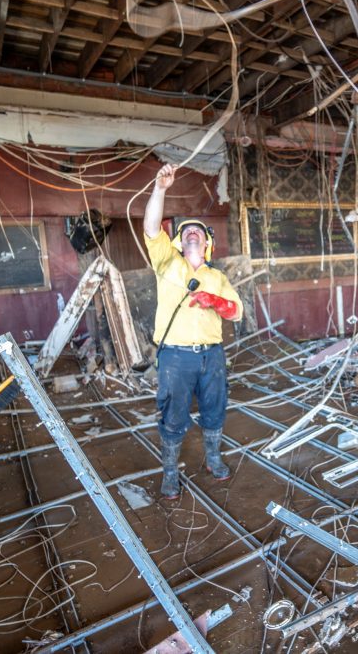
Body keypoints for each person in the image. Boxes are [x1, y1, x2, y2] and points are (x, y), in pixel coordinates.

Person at [143, 164, 243, 498]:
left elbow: (235, 310)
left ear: (207, 241)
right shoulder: (167, 263)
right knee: (173, 414)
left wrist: (215, 299)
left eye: (197, 230)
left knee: (215, 408)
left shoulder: (218, 277)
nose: (191, 232)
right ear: (178, 240)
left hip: (211, 355)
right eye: (185, 231)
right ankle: (170, 472)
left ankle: (213, 458)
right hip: (175, 357)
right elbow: (150, 227)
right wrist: (160, 188)